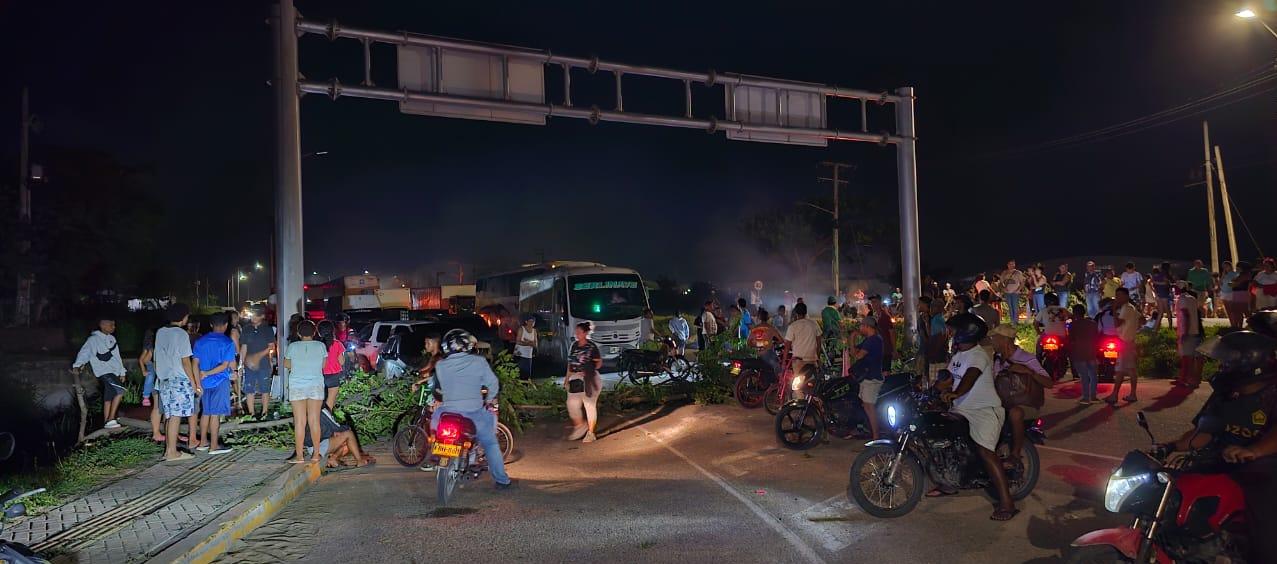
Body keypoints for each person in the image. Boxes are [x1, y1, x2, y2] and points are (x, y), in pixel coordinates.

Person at [1155, 330, 1276, 563]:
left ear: (1248, 363)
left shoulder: (1272, 393)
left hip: (1265, 470)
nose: (1222, 367)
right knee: (1176, 493)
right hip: (1225, 461)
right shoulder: (1225, 394)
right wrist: (1170, 446)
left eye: (1227, 361)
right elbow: (1205, 433)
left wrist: (1255, 451)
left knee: (1265, 534)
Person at [934, 313, 1017, 521]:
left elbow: (969, 378)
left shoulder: (978, 355)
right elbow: (948, 378)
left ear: (965, 332)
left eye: (952, 330)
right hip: (961, 408)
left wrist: (955, 393)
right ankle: (948, 483)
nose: (949, 333)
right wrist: (931, 388)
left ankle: (1007, 503)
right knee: (943, 440)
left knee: (986, 453)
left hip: (984, 411)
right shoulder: (958, 354)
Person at [989, 324, 1053, 466]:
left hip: (1026, 403)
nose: (991, 341)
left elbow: (1049, 383)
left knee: (1015, 413)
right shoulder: (997, 360)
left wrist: (1028, 371)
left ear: (1004, 340)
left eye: (994, 338)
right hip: (1003, 402)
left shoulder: (1026, 358)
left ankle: (1015, 454)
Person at [155, 304, 201, 462]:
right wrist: (194, 383)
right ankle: (172, 452)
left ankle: (169, 450)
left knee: (169, 416)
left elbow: (157, 357)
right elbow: (186, 361)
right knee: (175, 416)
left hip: (164, 380)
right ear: (183, 317)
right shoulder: (181, 334)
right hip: (179, 380)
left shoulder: (160, 332)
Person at [71, 316, 127, 430]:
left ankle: (106, 422)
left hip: (114, 372)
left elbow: (117, 357)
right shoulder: (93, 339)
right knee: (121, 391)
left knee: (109, 396)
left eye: (114, 325)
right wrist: (77, 364)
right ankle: (111, 419)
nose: (114, 327)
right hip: (104, 372)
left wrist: (122, 372)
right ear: (102, 325)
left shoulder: (112, 339)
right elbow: (85, 352)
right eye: (111, 325)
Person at [192, 313, 237, 455]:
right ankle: (214, 446)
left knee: (206, 412)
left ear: (211, 325)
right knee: (215, 414)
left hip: (204, 383)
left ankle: (203, 442)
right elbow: (225, 366)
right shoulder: (227, 342)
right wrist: (208, 373)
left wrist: (198, 382)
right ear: (225, 325)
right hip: (219, 381)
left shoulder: (200, 341)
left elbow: (195, 363)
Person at [284, 320, 327, 464]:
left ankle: (300, 456)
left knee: (299, 422)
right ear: (314, 332)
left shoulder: (292, 346)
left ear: (298, 333)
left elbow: (287, 364)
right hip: (315, 384)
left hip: (297, 385)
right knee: (314, 421)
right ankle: (316, 454)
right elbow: (324, 364)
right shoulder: (321, 346)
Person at [565, 322, 602, 443]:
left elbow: (599, 362)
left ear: (585, 333)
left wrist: (589, 370)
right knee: (572, 404)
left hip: (590, 380)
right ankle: (580, 426)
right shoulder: (574, 345)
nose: (577, 334)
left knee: (589, 406)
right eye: (576, 332)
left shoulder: (591, 347)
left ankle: (591, 433)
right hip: (576, 379)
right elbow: (570, 364)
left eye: (579, 332)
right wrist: (567, 379)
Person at [1105, 288, 1142, 405]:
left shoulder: (1126, 308)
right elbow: (1142, 320)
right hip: (1129, 341)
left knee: (1121, 370)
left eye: (1120, 296)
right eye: (1117, 296)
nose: (1118, 298)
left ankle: (1116, 395)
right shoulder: (1132, 308)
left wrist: (1114, 309)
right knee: (1130, 369)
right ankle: (1131, 394)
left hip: (1125, 342)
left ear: (1126, 296)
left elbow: (1116, 324)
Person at [850, 315, 885, 440]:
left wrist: (853, 338)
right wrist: (852, 340)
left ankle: (876, 436)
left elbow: (858, 356)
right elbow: (854, 352)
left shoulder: (873, 340)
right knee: (866, 406)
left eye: (861, 326)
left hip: (872, 378)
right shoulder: (870, 339)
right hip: (867, 378)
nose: (860, 328)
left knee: (869, 407)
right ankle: (869, 431)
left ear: (866, 326)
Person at [239, 307, 276, 420]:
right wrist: (241, 364)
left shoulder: (267, 329)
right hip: (248, 365)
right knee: (249, 388)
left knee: (265, 388)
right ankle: (252, 414)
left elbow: (271, 347)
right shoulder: (246, 329)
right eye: (252, 315)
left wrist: (266, 360)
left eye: (256, 315)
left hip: (264, 363)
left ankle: (264, 412)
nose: (253, 318)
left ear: (262, 316)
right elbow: (243, 347)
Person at [1068, 304, 1100, 404]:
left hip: (1079, 352)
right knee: (1093, 375)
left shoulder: (1073, 325)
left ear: (1074, 313)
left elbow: (1071, 339)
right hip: (1091, 352)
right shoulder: (1093, 323)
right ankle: (1093, 396)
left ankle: (1086, 398)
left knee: (1084, 376)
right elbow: (1097, 337)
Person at [1174, 285, 1204, 389]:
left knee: (1188, 358)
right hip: (1196, 331)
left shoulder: (1181, 299)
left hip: (1188, 333)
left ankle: (1191, 380)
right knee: (1198, 357)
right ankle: (1197, 379)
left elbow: (1185, 315)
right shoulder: (1192, 298)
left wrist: (1184, 333)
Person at [139, 329, 165, 442]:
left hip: (159, 375)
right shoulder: (151, 348)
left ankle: (163, 431)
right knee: (158, 406)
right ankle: (157, 432)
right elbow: (143, 360)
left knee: (161, 406)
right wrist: (144, 370)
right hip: (155, 373)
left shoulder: (155, 347)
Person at [784, 302, 822, 373]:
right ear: (806, 312)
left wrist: (783, 363)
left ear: (795, 313)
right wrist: (818, 357)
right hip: (812, 360)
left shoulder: (792, 326)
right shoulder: (814, 324)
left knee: (798, 382)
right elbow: (819, 343)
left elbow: (787, 346)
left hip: (798, 362)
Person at [316, 320, 345, 412]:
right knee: (330, 400)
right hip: (333, 375)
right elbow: (341, 362)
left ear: (318, 332)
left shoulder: (316, 345)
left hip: (318, 375)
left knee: (317, 400)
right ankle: (327, 420)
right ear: (333, 331)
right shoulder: (337, 344)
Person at [870, 295, 896, 370]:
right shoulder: (871, 316)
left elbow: (892, 333)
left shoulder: (886, 317)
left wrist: (894, 350)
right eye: (872, 302)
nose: (872, 304)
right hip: (875, 350)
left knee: (885, 371)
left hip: (885, 349)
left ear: (879, 303)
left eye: (874, 302)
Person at [999, 260, 1026, 326]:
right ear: (1007, 265)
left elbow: (1022, 283)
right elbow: (1000, 283)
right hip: (1007, 293)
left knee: (1015, 306)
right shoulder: (1004, 273)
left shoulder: (1018, 273)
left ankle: (1016, 321)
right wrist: (1003, 288)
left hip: (1015, 293)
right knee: (1010, 307)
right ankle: (1012, 321)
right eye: (1010, 264)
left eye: (1013, 264)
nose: (1011, 265)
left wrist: (1018, 290)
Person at [1151, 265, 1175, 330]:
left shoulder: (1154, 278)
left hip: (1160, 295)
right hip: (1163, 294)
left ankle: (1156, 328)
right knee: (1166, 311)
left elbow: (1154, 286)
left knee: (1161, 312)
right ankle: (1169, 327)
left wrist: (1156, 293)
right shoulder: (1162, 275)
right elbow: (1166, 283)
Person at [514, 315, 537, 379]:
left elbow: (535, 344)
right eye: (530, 321)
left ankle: (526, 387)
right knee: (519, 373)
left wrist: (527, 341)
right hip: (519, 355)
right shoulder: (522, 329)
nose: (532, 323)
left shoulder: (534, 331)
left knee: (527, 374)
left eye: (533, 322)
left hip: (528, 355)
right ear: (526, 322)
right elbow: (518, 341)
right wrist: (529, 343)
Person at [1220, 261, 1239, 326]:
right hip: (1224, 293)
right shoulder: (1224, 274)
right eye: (1224, 267)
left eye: (1226, 266)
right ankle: (1232, 324)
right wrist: (1223, 275)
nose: (1225, 268)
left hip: (1231, 292)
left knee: (1232, 310)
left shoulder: (1235, 273)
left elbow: (1237, 282)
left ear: (1230, 266)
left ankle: (1235, 324)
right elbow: (1220, 283)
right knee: (1228, 310)